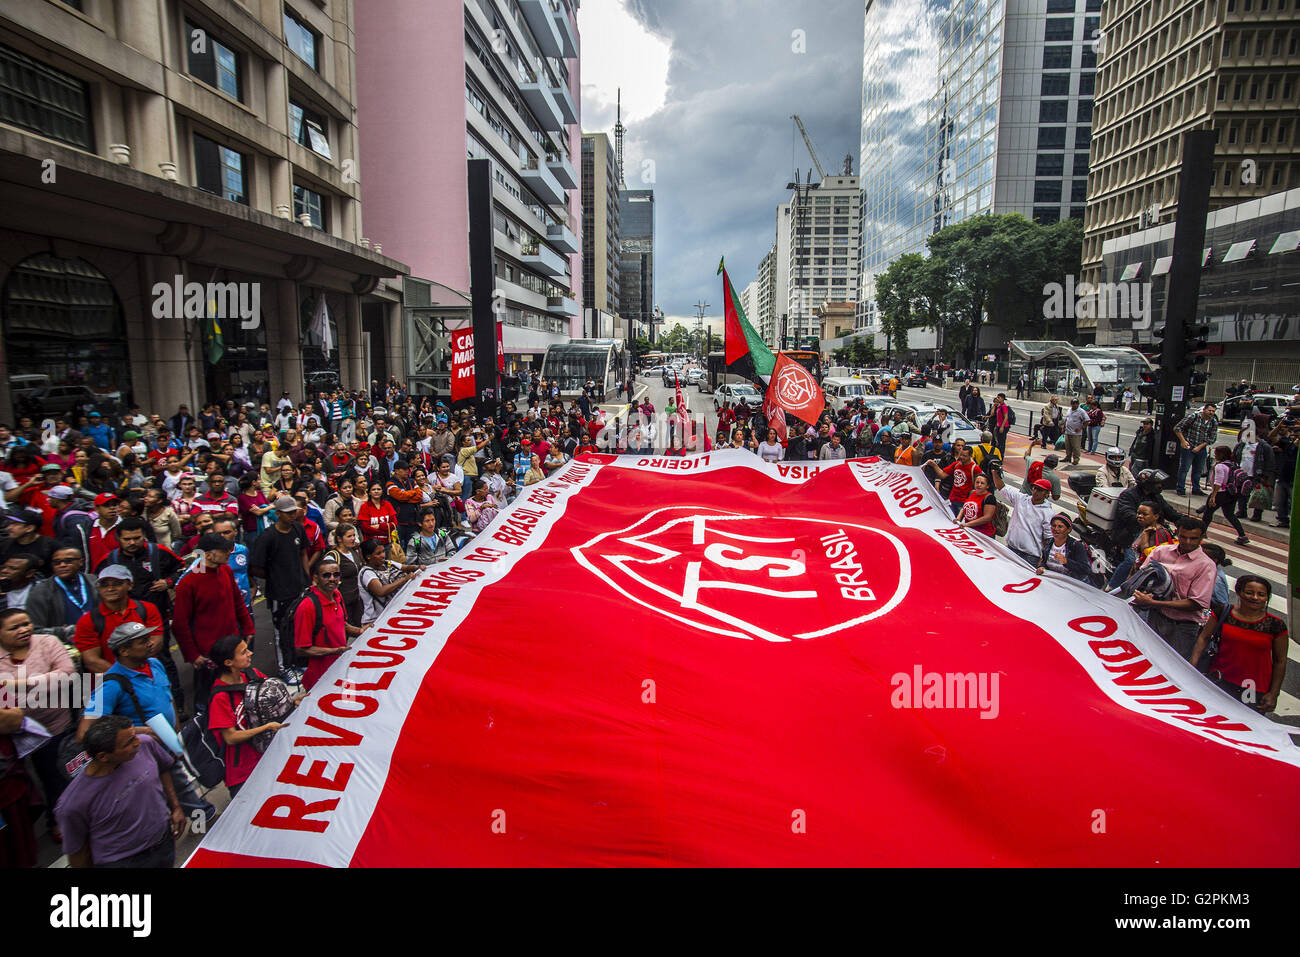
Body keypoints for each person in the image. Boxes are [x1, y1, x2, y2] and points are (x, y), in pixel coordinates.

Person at [77, 619, 214, 825]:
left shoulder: (155, 664)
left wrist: (175, 728)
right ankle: (202, 821)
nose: (151, 643)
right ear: (123, 651)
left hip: (169, 742)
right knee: (177, 785)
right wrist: (138, 731)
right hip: (145, 752)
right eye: (142, 641)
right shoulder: (110, 685)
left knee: (184, 780)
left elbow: (167, 696)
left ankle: (199, 816)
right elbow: (85, 731)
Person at [55, 714, 186, 868]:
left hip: (164, 844)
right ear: (103, 756)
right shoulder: (72, 804)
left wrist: (176, 807)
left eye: (134, 735)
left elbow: (163, 768)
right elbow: (79, 853)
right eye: (129, 743)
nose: (138, 741)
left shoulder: (145, 744)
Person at [0, 608, 76, 835]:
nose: (24, 630)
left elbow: (67, 674)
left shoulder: (47, 642)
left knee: (55, 775)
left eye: (26, 624)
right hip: (11, 733)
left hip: (53, 726)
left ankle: (59, 820)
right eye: (14, 627)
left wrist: (16, 684)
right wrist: (44, 680)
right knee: (20, 782)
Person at [172, 533, 256, 705]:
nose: (229, 552)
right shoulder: (190, 583)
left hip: (232, 644)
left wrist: (248, 628)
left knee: (236, 688)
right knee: (209, 696)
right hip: (208, 652)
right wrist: (193, 655)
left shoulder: (225, 571)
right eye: (224, 550)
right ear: (208, 555)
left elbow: (238, 602)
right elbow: (180, 624)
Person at [205, 634, 286, 798]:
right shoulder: (219, 698)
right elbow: (231, 737)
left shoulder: (252, 675)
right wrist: (267, 727)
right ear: (228, 663)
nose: (250, 653)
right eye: (243, 652)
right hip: (244, 771)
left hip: (269, 756)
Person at [1191, 575, 1287, 712]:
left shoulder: (1276, 625)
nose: (1254, 597)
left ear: (1267, 598)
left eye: (1261, 594)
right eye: (1249, 592)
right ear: (1239, 592)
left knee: (1244, 726)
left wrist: (1273, 693)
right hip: (1219, 680)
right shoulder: (1223, 613)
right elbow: (1204, 638)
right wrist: (1191, 667)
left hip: (1253, 688)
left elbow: (1280, 661)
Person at [1131, 515, 1216, 660]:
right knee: (1145, 658)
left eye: (1193, 538)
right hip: (1155, 618)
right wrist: (1144, 594)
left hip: (1182, 627)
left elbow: (1196, 603)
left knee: (1171, 664)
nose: (1187, 542)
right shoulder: (1160, 552)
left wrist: (1154, 603)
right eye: (1183, 537)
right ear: (1177, 533)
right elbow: (1141, 577)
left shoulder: (1206, 566)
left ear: (1202, 537)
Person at [248, 496, 311, 677]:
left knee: (300, 628)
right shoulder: (267, 537)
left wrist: (306, 577)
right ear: (278, 514)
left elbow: (303, 554)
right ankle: (286, 668)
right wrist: (276, 576)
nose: (292, 515)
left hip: (300, 587)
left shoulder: (298, 528)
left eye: (294, 512)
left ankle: (300, 662)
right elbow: (256, 567)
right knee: (281, 631)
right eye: (288, 513)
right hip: (279, 592)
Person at [294, 556, 365, 691]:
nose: (332, 579)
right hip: (319, 679)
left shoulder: (337, 595)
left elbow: (342, 624)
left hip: (340, 670)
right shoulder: (307, 607)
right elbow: (301, 649)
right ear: (315, 578)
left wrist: (360, 631)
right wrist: (335, 651)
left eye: (336, 574)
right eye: (326, 575)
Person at [24, 545, 98, 643]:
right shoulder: (40, 591)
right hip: (64, 647)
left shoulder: (96, 582)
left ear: (80, 562)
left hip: (99, 640)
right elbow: (35, 630)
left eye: (68, 561)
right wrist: (66, 632)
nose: (62, 565)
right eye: (56, 562)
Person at [989, 464, 1054, 566]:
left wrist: (1044, 560)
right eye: (1034, 488)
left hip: (1030, 557)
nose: (1036, 492)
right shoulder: (1021, 499)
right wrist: (994, 472)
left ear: (1046, 493)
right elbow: (1002, 488)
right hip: (1010, 549)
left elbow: (1049, 539)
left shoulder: (1048, 513)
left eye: (1040, 490)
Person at [358, 538, 419, 626]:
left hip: (391, 615)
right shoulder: (367, 573)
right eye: (378, 553)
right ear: (368, 556)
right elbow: (380, 591)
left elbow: (405, 567)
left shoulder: (388, 563)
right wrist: (404, 579)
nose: (383, 555)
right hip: (375, 621)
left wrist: (419, 567)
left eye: (383, 551)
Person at [1200, 445, 1250, 546]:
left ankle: (1202, 533)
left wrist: (1213, 496)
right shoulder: (1233, 464)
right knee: (1229, 514)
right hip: (1231, 493)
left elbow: (1218, 482)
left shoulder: (1220, 466)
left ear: (1222, 455)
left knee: (1208, 513)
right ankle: (1242, 535)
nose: (1215, 455)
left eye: (1217, 453)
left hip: (1220, 493)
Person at [1173, 403, 1220, 496]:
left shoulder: (1213, 421)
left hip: (1201, 448)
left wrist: (1200, 447)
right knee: (1184, 468)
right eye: (1209, 410)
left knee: (1198, 470)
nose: (1211, 413)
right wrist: (1183, 441)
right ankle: (1180, 488)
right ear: (1204, 410)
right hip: (1188, 446)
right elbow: (1177, 428)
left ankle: (1196, 488)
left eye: (1213, 411)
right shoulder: (1193, 417)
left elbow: (1212, 438)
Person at [924, 444, 981, 517]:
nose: (961, 457)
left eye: (964, 456)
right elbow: (942, 475)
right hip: (952, 499)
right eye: (961, 455)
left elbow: (981, 485)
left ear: (970, 456)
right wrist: (934, 465)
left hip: (965, 501)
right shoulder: (956, 464)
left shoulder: (975, 468)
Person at [325, 523, 365, 626]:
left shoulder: (354, 552)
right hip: (342, 602)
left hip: (357, 600)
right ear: (339, 539)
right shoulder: (333, 556)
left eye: (353, 536)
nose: (353, 539)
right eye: (349, 536)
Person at [1233, 429, 1275, 524]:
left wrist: (1265, 476)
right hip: (1242, 474)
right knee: (1241, 493)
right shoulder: (1241, 445)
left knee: (1257, 495)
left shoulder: (1264, 447)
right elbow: (1235, 456)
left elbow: (1270, 462)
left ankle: (1257, 514)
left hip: (1257, 475)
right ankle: (1242, 511)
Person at [1037, 514, 1092, 582]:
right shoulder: (1048, 543)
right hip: (1053, 582)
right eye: (1054, 526)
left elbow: (1086, 569)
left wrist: (1066, 561)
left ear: (1068, 530)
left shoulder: (1076, 546)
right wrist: (1041, 567)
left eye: (1060, 526)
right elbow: (1044, 561)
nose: (1056, 529)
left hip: (1071, 585)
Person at [1062, 398, 1088, 465]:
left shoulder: (1081, 411)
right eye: (1073, 403)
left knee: (1076, 447)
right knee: (1068, 446)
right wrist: (1064, 427)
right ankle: (1068, 457)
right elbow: (1066, 419)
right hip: (1068, 431)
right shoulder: (1069, 410)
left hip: (1076, 433)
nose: (1075, 405)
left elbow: (1087, 421)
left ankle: (1076, 459)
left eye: (1076, 403)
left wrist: (1081, 428)